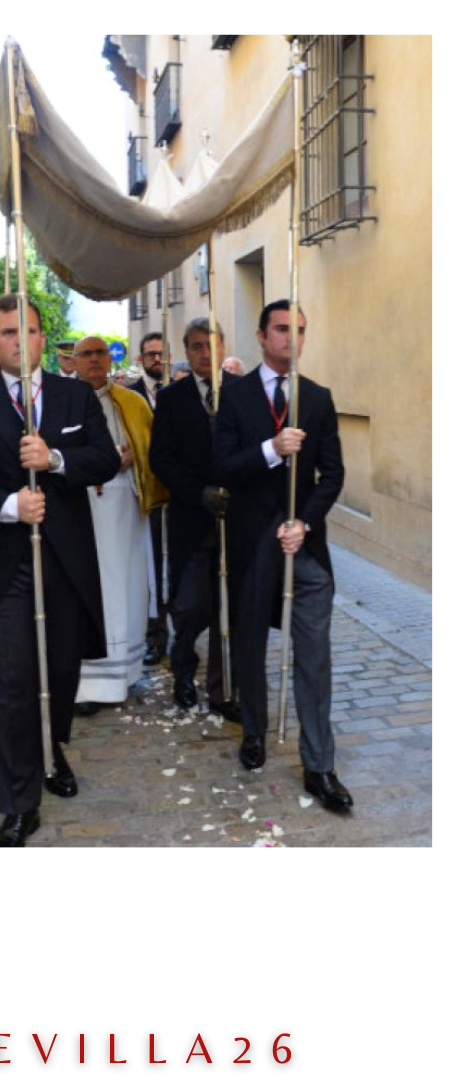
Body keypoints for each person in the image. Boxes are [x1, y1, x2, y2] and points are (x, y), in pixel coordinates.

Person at [0, 296, 120, 846]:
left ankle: (50, 746)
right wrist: (10, 504)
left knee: (60, 673)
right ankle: (19, 802)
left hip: (64, 562)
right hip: (1, 565)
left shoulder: (74, 396)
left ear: (44, 338)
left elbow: (105, 458)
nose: (20, 340)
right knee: (12, 681)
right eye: (8, 331)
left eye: (30, 330)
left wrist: (56, 461)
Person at [212, 300, 351, 812]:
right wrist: (271, 449)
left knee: (314, 657)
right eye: (282, 330)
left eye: (301, 331)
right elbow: (223, 464)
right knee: (249, 645)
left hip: (305, 548)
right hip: (251, 544)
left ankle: (319, 765)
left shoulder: (317, 398)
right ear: (261, 335)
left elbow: (333, 474)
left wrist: (305, 521)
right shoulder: (236, 396)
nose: (292, 339)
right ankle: (254, 730)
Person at [149, 318, 240, 719]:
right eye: (197, 346)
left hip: (235, 522)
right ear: (186, 351)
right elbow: (161, 460)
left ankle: (224, 690)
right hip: (190, 520)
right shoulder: (172, 398)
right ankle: (183, 667)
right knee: (189, 605)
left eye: (211, 345)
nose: (205, 353)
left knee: (229, 609)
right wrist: (197, 493)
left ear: (223, 348)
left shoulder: (243, 393)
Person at [71, 337, 166, 714]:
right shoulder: (62, 402)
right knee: (90, 589)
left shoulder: (133, 402)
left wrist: (130, 462)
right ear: (74, 361)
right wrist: (100, 462)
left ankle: (124, 673)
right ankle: (86, 681)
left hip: (125, 507)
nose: (94, 360)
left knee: (124, 587)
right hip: (81, 507)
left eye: (100, 354)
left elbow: (150, 452)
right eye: (86, 354)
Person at [125, 330, 170, 666]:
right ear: (140, 358)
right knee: (152, 567)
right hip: (144, 495)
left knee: (174, 567)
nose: (157, 359)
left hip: (176, 496)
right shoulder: (129, 396)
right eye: (150, 354)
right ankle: (154, 636)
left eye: (161, 353)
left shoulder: (177, 392)